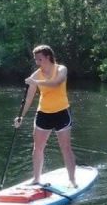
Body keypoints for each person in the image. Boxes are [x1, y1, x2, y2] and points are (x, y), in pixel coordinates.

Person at [14, 45, 77, 187]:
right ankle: (36, 179)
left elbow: (56, 83)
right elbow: (29, 98)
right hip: (43, 113)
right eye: (36, 59)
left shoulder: (61, 69)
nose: (37, 62)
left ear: (48, 57)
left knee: (65, 147)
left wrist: (35, 82)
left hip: (62, 112)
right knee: (37, 147)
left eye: (40, 59)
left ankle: (72, 180)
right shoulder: (36, 75)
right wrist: (21, 116)